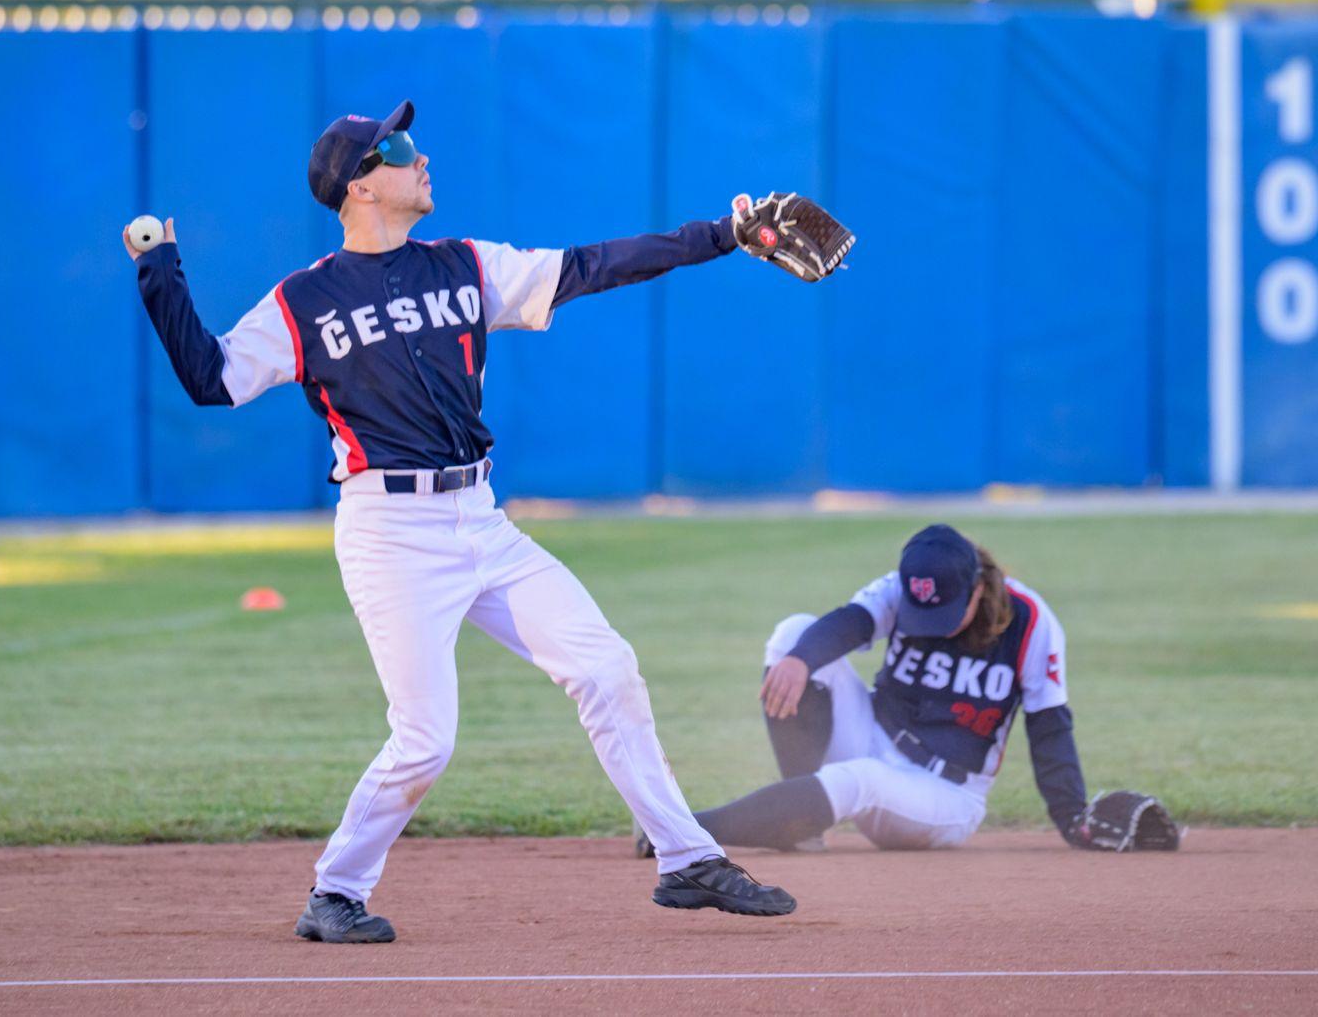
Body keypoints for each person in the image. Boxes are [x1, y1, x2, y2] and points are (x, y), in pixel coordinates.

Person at [124, 100, 796, 942]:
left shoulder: (464, 265)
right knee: (425, 740)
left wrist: (720, 235)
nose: (420, 157)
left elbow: (592, 266)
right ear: (359, 184)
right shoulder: (304, 301)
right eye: (398, 149)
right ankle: (335, 892)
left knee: (608, 670)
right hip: (390, 534)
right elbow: (211, 378)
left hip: (481, 519)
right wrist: (161, 270)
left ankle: (687, 860)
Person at [638, 523, 1095, 857]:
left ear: (978, 587)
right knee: (792, 639)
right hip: (875, 736)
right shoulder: (901, 589)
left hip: (944, 794)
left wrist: (1074, 818)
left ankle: (688, 831)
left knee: (862, 780)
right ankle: (801, 826)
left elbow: (1050, 725)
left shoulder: (1031, 621)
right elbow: (848, 623)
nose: (931, 625)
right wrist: (800, 660)